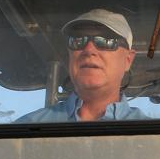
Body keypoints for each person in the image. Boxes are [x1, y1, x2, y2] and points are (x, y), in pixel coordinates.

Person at [17, 9, 148, 122]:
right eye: (78, 40)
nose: (89, 50)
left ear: (128, 60)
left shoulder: (154, 137)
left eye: (105, 40)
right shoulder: (23, 131)